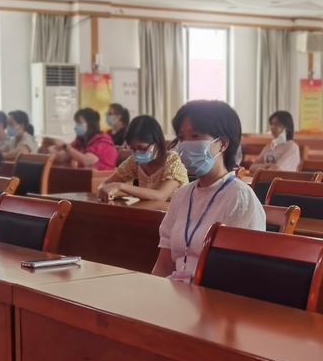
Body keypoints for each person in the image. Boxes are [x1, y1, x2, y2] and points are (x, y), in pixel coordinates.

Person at [153, 101, 266, 281]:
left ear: (222, 144)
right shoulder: (182, 195)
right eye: (182, 138)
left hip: (212, 295)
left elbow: (243, 274)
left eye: (195, 136)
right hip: (176, 291)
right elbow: (165, 264)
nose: (185, 145)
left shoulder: (240, 198)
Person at [97, 115, 188, 203]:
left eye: (142, 148)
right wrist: (104, 190)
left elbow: (161, 196)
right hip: (149, 210)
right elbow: (106, 184)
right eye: (133, 148)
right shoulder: (134, 162)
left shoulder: (173, 162)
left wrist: (120, 186)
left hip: (177, 211)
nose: (137, 153)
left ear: (157, 143)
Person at [47, 108, 118, 171]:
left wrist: (64, 146)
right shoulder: (80, 141)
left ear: (90, 124)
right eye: (76, 123)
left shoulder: (102, 141)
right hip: (86, 177)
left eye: (79, 123)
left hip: (102, 179)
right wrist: (49, 146)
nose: (76, 127)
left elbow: (86, 161)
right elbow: (59, 158)